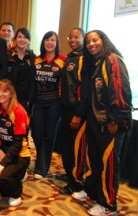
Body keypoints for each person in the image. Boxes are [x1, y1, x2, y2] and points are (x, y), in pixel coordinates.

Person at [71, 30, 132, 216]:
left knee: (109, 163)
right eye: (88, 41)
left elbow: (121, 93)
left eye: (95, 40)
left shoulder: (112, 60)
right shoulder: (94, 64)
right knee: (94, 159)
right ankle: (91, 192)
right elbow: (89, 96)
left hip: (110, 122)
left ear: (103, 41)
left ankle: (108, 204)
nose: (91, 44)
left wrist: (115, 120)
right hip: (95, 121)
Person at [31, 31, 66, 180]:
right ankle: (41, 159)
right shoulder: (36, 60)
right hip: (38, 102)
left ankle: (42, 167)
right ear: (43, 42)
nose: (49, 43)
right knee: (36, 134)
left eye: (52, 40)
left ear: (57, 43)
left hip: (54, 103)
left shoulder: (63, 61)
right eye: (47, 40)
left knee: (49, 135)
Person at [0, 79, 31, 207]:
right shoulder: (0, 109)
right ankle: (18, 173)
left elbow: (17, 144)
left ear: (11, 93)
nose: (0, 94)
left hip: (20, 155)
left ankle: (16, 193)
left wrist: (3, 164)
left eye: (4, 91)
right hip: (4, 152)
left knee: (0, 177)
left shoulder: (18, 111)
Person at [58, 27, 86, 195]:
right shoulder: (71, 57)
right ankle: (70, 174)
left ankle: (76, 182)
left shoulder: (84, 59)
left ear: (83, 37)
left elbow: (85, 90)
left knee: (76, 148)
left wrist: (78, 114)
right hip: (66, 108)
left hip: (76, 111)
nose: (73, 40)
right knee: (67, 145)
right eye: (70, 37)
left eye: (77, 37)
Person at [7, 27, 36, 114]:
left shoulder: (33, 58)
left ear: (29, 41)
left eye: (25, 37)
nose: (22, 40)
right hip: (9, 97)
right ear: (15, 39)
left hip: (26, 99)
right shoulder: (7, 56)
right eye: (19, 37)